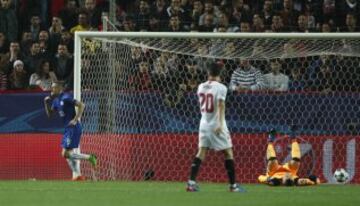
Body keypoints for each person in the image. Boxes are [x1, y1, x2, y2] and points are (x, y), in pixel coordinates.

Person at [186, 62, 245, 192]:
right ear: (220, 73)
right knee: (228, 152)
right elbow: (220, 105)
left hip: (204, 123)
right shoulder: (221, 87)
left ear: (208, 73)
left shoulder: (200, 86)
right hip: (217, 123)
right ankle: (233, 186)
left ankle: (191, 183)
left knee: (201, 152)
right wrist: (219, 123)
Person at [44, 81, 97, 181]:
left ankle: (90, 158)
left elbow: (82, 105)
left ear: (59, 88)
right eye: (51, 88)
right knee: (68, 154)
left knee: (66, 154)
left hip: (74, 127)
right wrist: (46, 103)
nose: (52, 90)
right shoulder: (56, 101)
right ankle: (78, 176)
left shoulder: (66, 97)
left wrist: (75, 119)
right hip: (67, 129)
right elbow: (50, 115)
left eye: (54, 88)